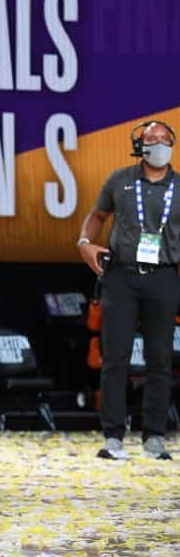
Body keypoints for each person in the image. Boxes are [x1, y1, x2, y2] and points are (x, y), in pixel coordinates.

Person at [78, 120, 179, 461]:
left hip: (163, 275)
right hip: (121, 275)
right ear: (139, 145)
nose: (160, 144)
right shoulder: (119, 180)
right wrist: (84, 243)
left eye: (166, 139)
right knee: (115, 356)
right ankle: (113, 436)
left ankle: (154, 436)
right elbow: (96, 216)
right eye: (152, 139)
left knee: (160, 358)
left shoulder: (179, 187)